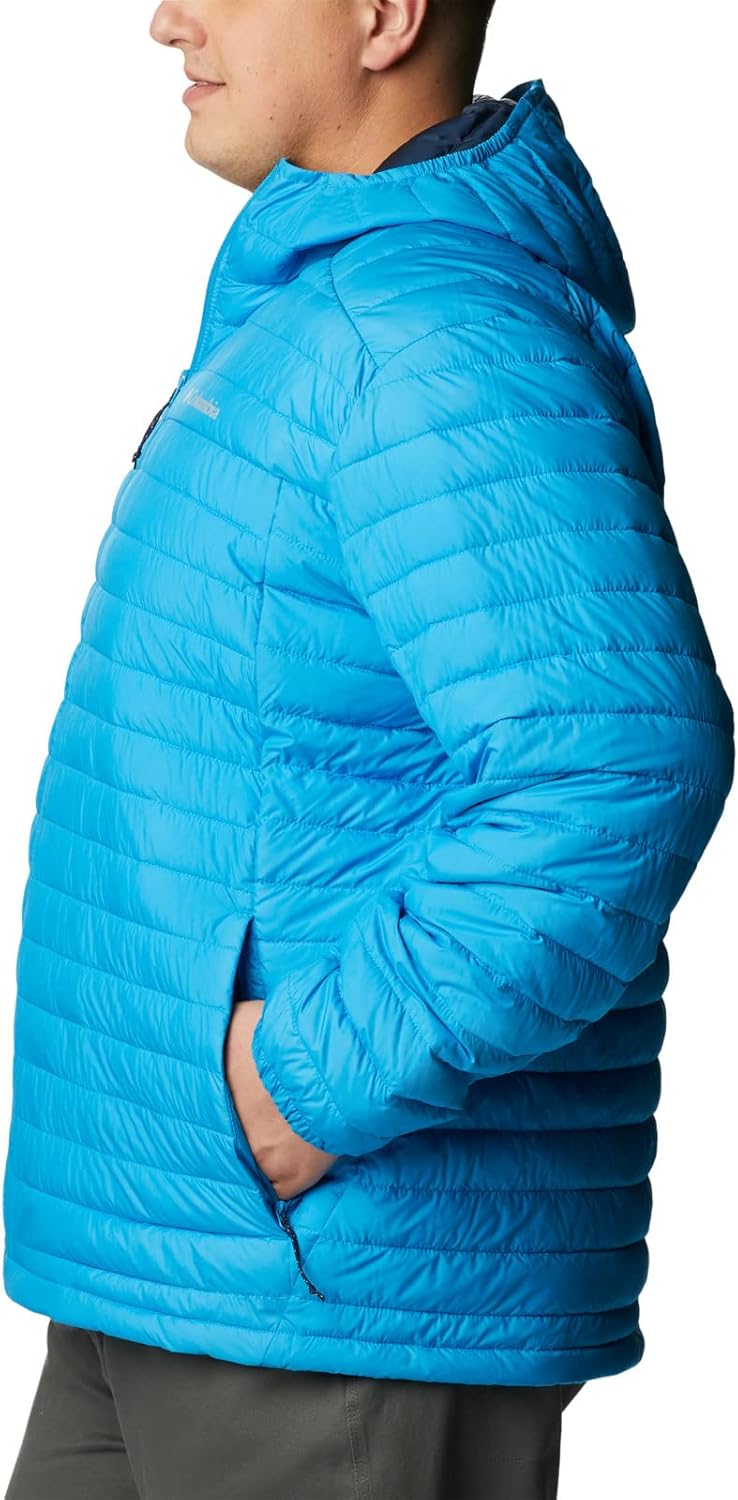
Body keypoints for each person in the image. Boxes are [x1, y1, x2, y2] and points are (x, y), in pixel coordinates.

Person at [2, 1, 734, 1497]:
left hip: (332, 1288)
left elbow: (616, 763)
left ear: (385, 13)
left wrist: (305, 1088)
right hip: (187, 1261)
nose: (167, 18)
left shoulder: (430, 338)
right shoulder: (330, 313)